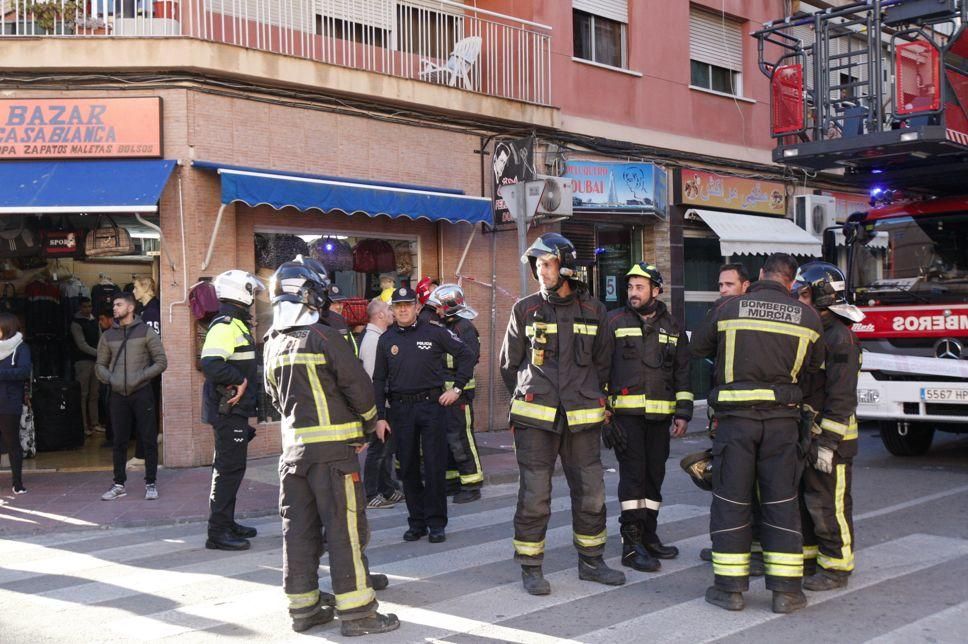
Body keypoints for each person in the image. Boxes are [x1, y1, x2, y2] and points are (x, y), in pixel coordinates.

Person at [263, 261, 399, 636]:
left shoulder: (271, 342)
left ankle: (304, 610)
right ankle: (358, 615)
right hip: (335, 458)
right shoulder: (324, 337)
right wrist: (369, 425)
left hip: (292, 458)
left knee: (299, 532)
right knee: (344, 531)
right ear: (310, 294)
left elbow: (275, 399)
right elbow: (359, 389)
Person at [691, 253, 824, 614]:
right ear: (791, 281)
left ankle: (730, 589)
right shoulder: (809, 317)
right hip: (783, 424)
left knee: (732, 502)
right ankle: (786, 592)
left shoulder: (729, 308)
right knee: (781, 504)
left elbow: (697, 348)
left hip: (736, 424)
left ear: (761, 275)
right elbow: (814, 368)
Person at [499, 233, 625, 596]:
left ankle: (592, 561)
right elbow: (510, 365)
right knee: (535, 494)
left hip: (582, 418)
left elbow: (604, 363)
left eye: (547, 263)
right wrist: (529, 396)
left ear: (566, 267)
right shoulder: (524, 309)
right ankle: (531, 566)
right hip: (535, 420)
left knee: (591, 493)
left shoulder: (594, 310)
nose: (541, 270)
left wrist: (587, 396)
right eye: (537, 264)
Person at [602, 263, 692, 572]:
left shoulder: (673, 327)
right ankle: (631, 544)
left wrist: (683, 413)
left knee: (655, 477)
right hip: (625, 418)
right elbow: (599, 367)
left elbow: (682, 373)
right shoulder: (613, 321)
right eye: (630, 287)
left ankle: (649, 535)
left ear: (656, 290)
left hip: (660, 419)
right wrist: (604, 411)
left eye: (640, 287)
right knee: (633, 478)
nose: (633, 293)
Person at [372, 286, 474, 544]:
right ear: (392, 310)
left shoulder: (435, 332)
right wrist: (380, 416)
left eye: (408, 304)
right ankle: (416, 523)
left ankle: (436, 523)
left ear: (417, 307)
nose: (403, 309)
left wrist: (458, 388)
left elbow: (466, 355)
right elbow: (379, 379)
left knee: (434, 465)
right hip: (401, 411)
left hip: (432, 407)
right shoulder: (386, 340)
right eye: (398, 306)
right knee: (407, 468)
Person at [793, 261, 863, 591]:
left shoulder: (841, 338)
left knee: (829, 506)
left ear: (822, 295)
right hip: (810, 435)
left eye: (804, 294)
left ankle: (836, 567)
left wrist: (828, 443)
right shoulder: (815, 331)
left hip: (831, 441)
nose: (799, 300)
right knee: (807, 504)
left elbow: (841, 395)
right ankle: (810, 561)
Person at [200, 270, 264, 551]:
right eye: (251, 290)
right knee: (228, 470)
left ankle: (227, 522)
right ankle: (218, 532)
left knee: (232, 469)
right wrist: (239, 380)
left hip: (235, 410)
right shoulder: (225, 325)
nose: (254, 296)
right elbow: (211, 363)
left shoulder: (236, 323)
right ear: (241, 292)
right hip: (228, 411)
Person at [97, 292, 168, 501]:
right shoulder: (108, 336)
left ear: (130, 308)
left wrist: (140, 377)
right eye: (114, 305)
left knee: (148, 438)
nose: (114, 308)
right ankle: (119, 484)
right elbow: (99, 365)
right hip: (118, 394)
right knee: (119, 440)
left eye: (119, 305)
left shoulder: (146, 332)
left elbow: (161, 362)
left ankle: (151, 482)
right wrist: (112, 379)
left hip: (142, 392)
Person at [430, 283, 484, 504]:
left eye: (440, 307)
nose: (437, 310)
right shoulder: (447, 325)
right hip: (446, 391)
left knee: (462, 437)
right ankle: (453, 481)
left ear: (451, 306)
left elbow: (468, 359)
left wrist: (457, 388)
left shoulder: (465, 328)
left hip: (459, 392)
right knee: (448, 438)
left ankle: (472, 484)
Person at [359, 298, 403, 510]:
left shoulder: (380, 338)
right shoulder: (372, 342)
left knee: (386, 448)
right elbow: (372, 379)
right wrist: (380, 410)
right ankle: (371, 493)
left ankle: (386, 488)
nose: (392, 311)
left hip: (386, 404)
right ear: (379, 315)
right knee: (378, 449)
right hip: (379, 405)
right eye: (388, 309)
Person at [0, 313, 31, 495]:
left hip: (9, 402)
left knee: (12, 442)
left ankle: (17, 482)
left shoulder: (21, 348)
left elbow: (23, 371)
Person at [69, 297, 102, 436]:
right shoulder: (76, 323)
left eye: (89, 306)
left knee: (95, 393)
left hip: (96, 360)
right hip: (82, 361)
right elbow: (81, 345)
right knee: (83, 394)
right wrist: (99, 353)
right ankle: (83, 426)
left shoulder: (94, 321)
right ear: (79, 308)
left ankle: (94, 423)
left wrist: (101, 353)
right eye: (85, 306)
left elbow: (101, 338)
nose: (88, 309)